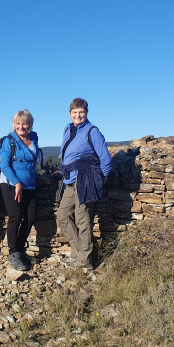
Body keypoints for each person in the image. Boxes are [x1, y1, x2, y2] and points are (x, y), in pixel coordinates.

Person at [57, 98, 112, 270]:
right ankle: (77, 252)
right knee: (63, 216)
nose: (78, 115)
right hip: (69, 181)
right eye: (75, 112)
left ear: (86, 113)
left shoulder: (92, 131)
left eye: (81, 112)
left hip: (85, 180)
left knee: (83, 221)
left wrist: (100, 179)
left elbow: (106, 161)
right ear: (70, 113)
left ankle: (86, 261)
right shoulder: (68, 128)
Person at [0, 109, 42, 271]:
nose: (21, 126)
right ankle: (13, 253)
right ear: (14, 124)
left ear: (30, 124)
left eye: (24, 123)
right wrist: (17, 184)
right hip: (11, 183)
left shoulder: (34, 137)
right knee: (15, 216)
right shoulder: (9, 141)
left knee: (31, 217)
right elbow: (5, 166)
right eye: (18, 123)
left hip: (30, 183)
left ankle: (20, 248)